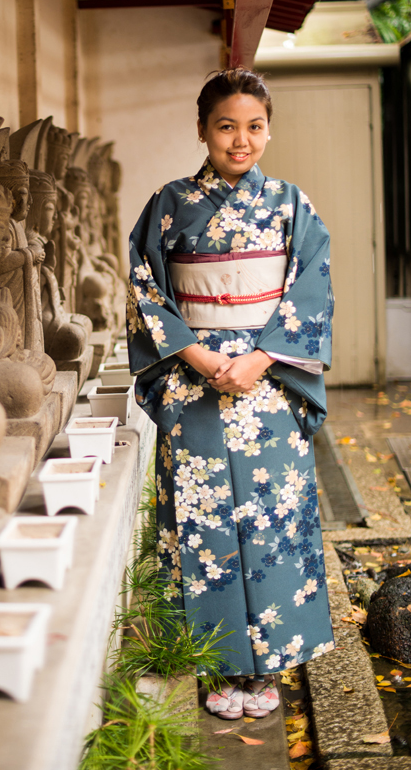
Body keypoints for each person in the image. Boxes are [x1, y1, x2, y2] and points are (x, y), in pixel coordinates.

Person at [127, 68, 335, 721]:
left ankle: (267, 667)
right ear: (202, 130)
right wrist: (194, 353)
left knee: (273, 521)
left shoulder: (292, 205)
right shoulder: (167, 204)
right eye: (226, 126)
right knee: (203, 523)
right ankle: (218, 663)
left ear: (268, 129)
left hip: (268, 384)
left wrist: (264, 357)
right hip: (196, 380)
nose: (239, 141)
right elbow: (145, 289)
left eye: (253, 126)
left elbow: (312, 290)